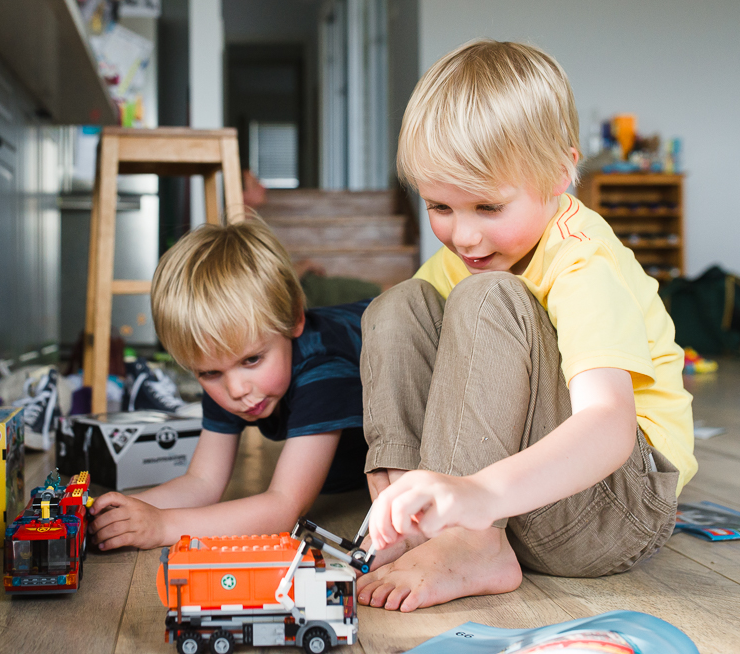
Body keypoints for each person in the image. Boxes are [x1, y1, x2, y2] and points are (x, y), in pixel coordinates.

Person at [358, 39, 696, 612]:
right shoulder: (465, 258)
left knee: (488, 297)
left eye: (488, 208)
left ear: (562, 172)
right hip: (514, 506)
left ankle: (469, 541)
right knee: (397, 306)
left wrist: (479, 494)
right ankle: (406, 515)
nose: (464, 236)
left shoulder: (583, 260)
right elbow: (409, 350)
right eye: (440, 207)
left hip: (613, 506)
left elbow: (610, 424)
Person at [87, 218, 369, 550]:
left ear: (294, 319)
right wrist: (123, 512)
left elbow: (284, 508)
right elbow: (202, 482)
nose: (236, 390)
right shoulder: (225, 365)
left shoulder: (323, 368)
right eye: (209, 374)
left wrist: (162, 526)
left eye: (252, 360)